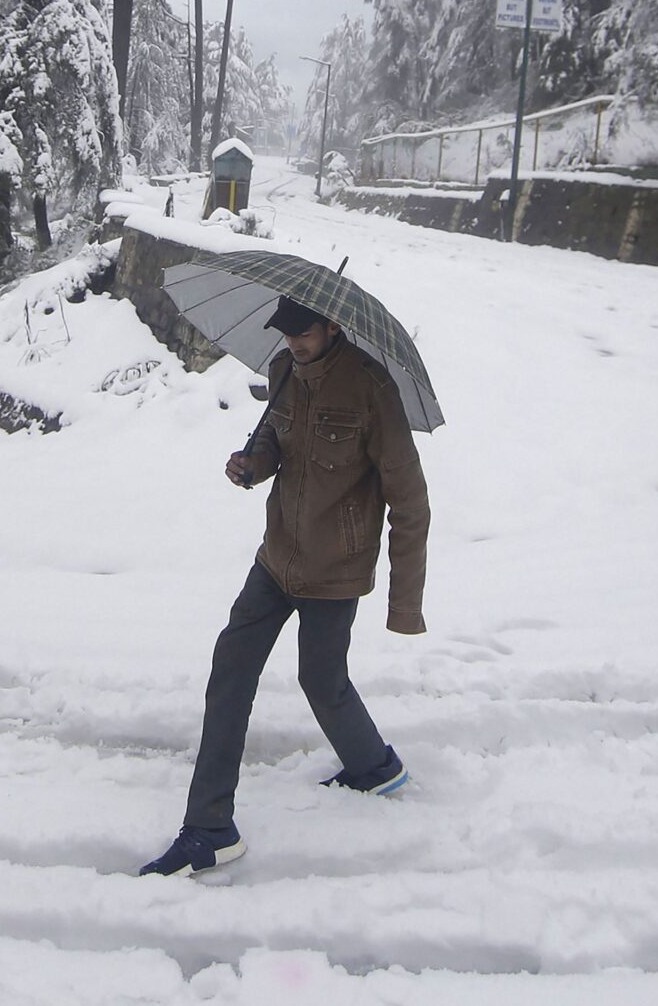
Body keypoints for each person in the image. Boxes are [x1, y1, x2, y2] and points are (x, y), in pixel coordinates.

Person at [139, 293, 431, 878]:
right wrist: (254, 463)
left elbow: (411, 504)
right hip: (276, 560)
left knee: (321, 680)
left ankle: (373, 766)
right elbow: (278, 440)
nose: (293, 343)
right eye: (286, 332)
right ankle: (210, 827)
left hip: (334, 571)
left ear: (331, 325)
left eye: (303, 332)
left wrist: (404, 605)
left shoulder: (373, 391)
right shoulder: (283, 371)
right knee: (231, 670)